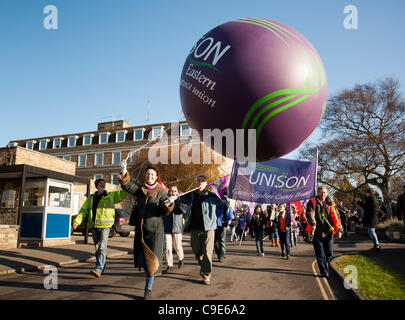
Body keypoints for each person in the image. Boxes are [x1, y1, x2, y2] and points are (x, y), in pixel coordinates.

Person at [119, 165, 174, 300]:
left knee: (151, 263)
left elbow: (165, 211)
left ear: (156, 177)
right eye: (148, 174)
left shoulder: (161, 192)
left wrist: (168, 203)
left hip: (155, 232)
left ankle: (148, 289)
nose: (150, 176)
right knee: (143, 260)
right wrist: (124, 171)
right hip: (142, 231)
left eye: (152, 174)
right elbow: (127, 186)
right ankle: (149, 275)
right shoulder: (140, 190)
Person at [171, 174, 228, 285]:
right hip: (195, 228)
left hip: (209, 228)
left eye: (203, 180)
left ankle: (206, 275)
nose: (201, 182)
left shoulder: (211, 195)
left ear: (206, 183)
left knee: (207, 253)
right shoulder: (191, 195)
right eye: (199, 180)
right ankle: (204, 266)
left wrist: (225, 189)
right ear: (196, 182)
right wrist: (174, 197)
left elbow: (223, 200)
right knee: (196, 251)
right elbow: (180, 200)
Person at [73, 178, 129, 278]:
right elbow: (83, 211)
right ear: (96, 186)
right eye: (100, 183)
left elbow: (123, 194)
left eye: (104, 183)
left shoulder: (110, 196)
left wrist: (126, 184)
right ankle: (102, 266)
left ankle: (98, 268)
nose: (102, 185)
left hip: (105, 227)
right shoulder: (90, 198)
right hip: (94, 227)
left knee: (102, 247)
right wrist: (77, 221)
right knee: (97, 248)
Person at [306, 186, 342, 278]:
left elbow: (337, 217)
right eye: (321, 192)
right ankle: (323, 271)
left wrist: (340, 230)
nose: (323, 194)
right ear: (318, 193)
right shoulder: (312, 202)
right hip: (318, 232)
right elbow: (309, 214)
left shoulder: (331, 203)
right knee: (320, 254)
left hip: (329, 232)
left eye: (325, 192)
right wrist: (313, 224)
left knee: (329, 252)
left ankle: (327, 265)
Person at [162, 186, 185, 274]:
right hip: (167, 227)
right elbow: (162, 210)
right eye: (171, 191)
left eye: (175, 191)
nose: (173, 192)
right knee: (167, 247)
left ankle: (181, 258)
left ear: (177, 192)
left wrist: (177, 201)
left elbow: (183, 210)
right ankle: (169, 265)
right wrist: (168, 202)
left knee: (177, 246)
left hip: (177, 228)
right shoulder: (165, 200)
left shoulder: (181, 200)